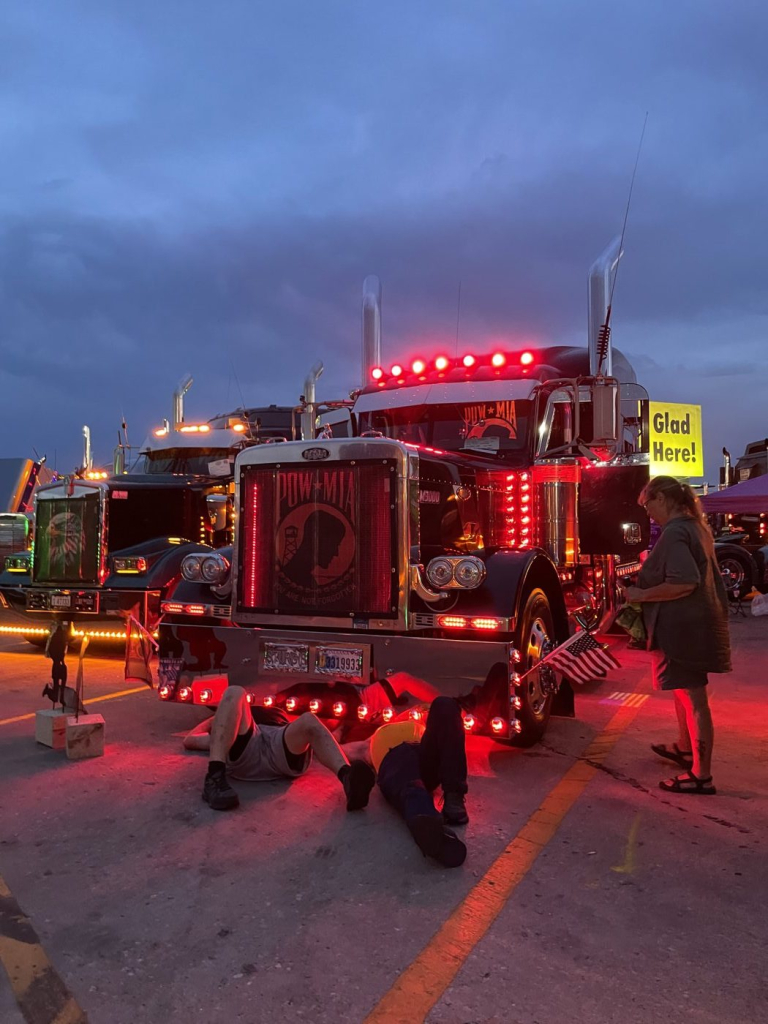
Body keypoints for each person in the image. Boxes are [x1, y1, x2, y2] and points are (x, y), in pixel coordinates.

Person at [623, 476, 731, 795]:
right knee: (683, 692)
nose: (647, 513)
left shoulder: (675, 531)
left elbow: (684, 581)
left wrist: (639, 595)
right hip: (696, 623)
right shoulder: (695, 526)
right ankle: (686, 748)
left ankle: (701, 774)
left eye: (647, 505)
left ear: (661, 498)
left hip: (684, 628)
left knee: (694, 698)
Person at [184, 685, 375, 811]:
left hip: (280, 742)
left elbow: (323, 736)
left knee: (309, 720)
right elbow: (190, 740)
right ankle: (214, 780)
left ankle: (349, 780)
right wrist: (221, 721)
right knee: (235, 691)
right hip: (248, 744)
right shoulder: (227, 733)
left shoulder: (280, 712)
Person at [366, 696, 469, 868]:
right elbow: (344, 751)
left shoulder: (418, 720)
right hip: (393, 762)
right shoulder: (369, 739)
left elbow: (449, 728)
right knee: (411, 789)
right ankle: (434, 833)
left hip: (424, 755)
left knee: (444, 703)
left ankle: (454, 800)